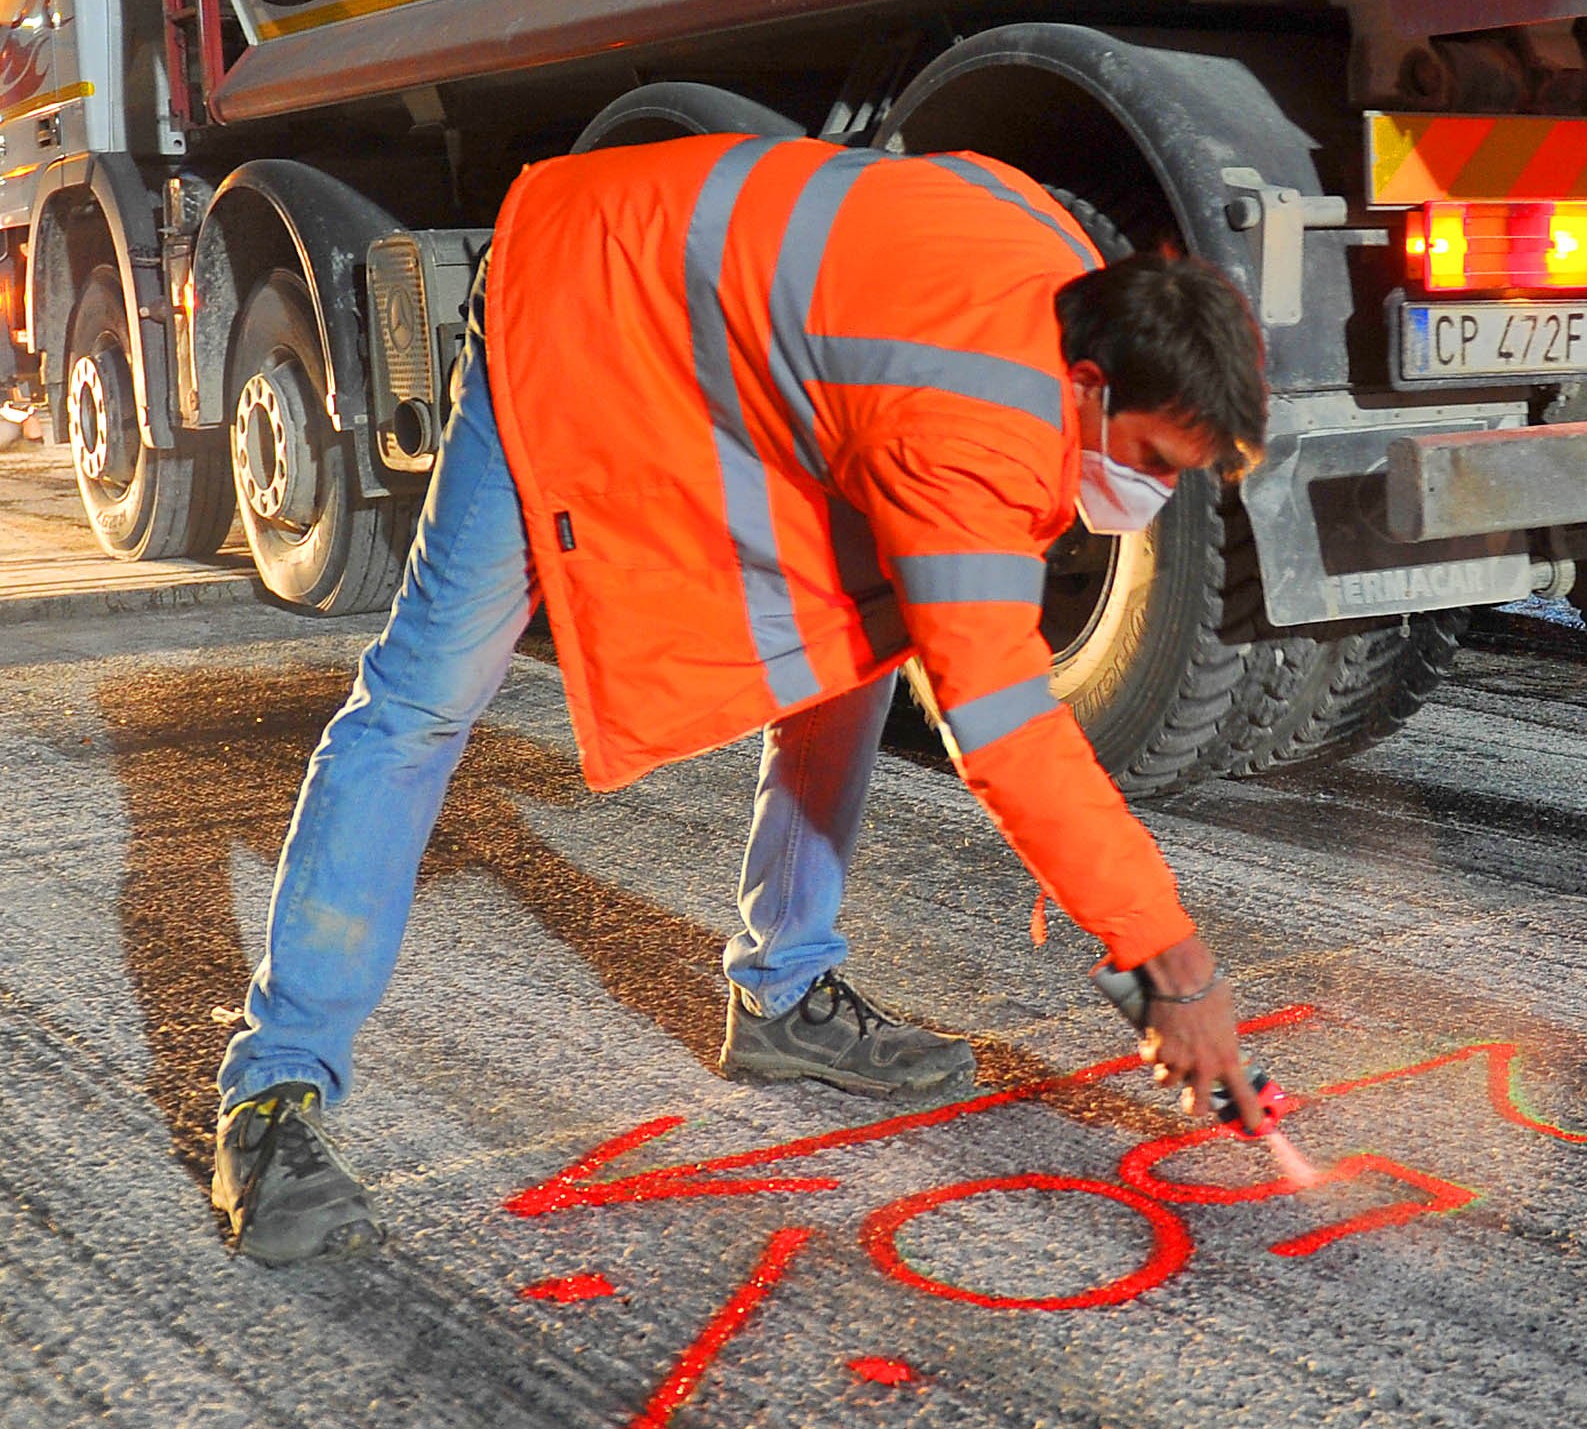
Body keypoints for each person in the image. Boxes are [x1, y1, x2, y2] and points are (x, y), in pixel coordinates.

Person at [207, 132, 1276, 1263]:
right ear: (1092, 383)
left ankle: (786, 991)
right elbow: (1007, 729)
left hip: (711, 345)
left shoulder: (1073, 274)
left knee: (855, 640)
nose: (1154, 493)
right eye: (1154, 458)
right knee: (424, 698)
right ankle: (272, 1091)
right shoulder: (973, 419)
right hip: (573, 306)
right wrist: (1175, 964)